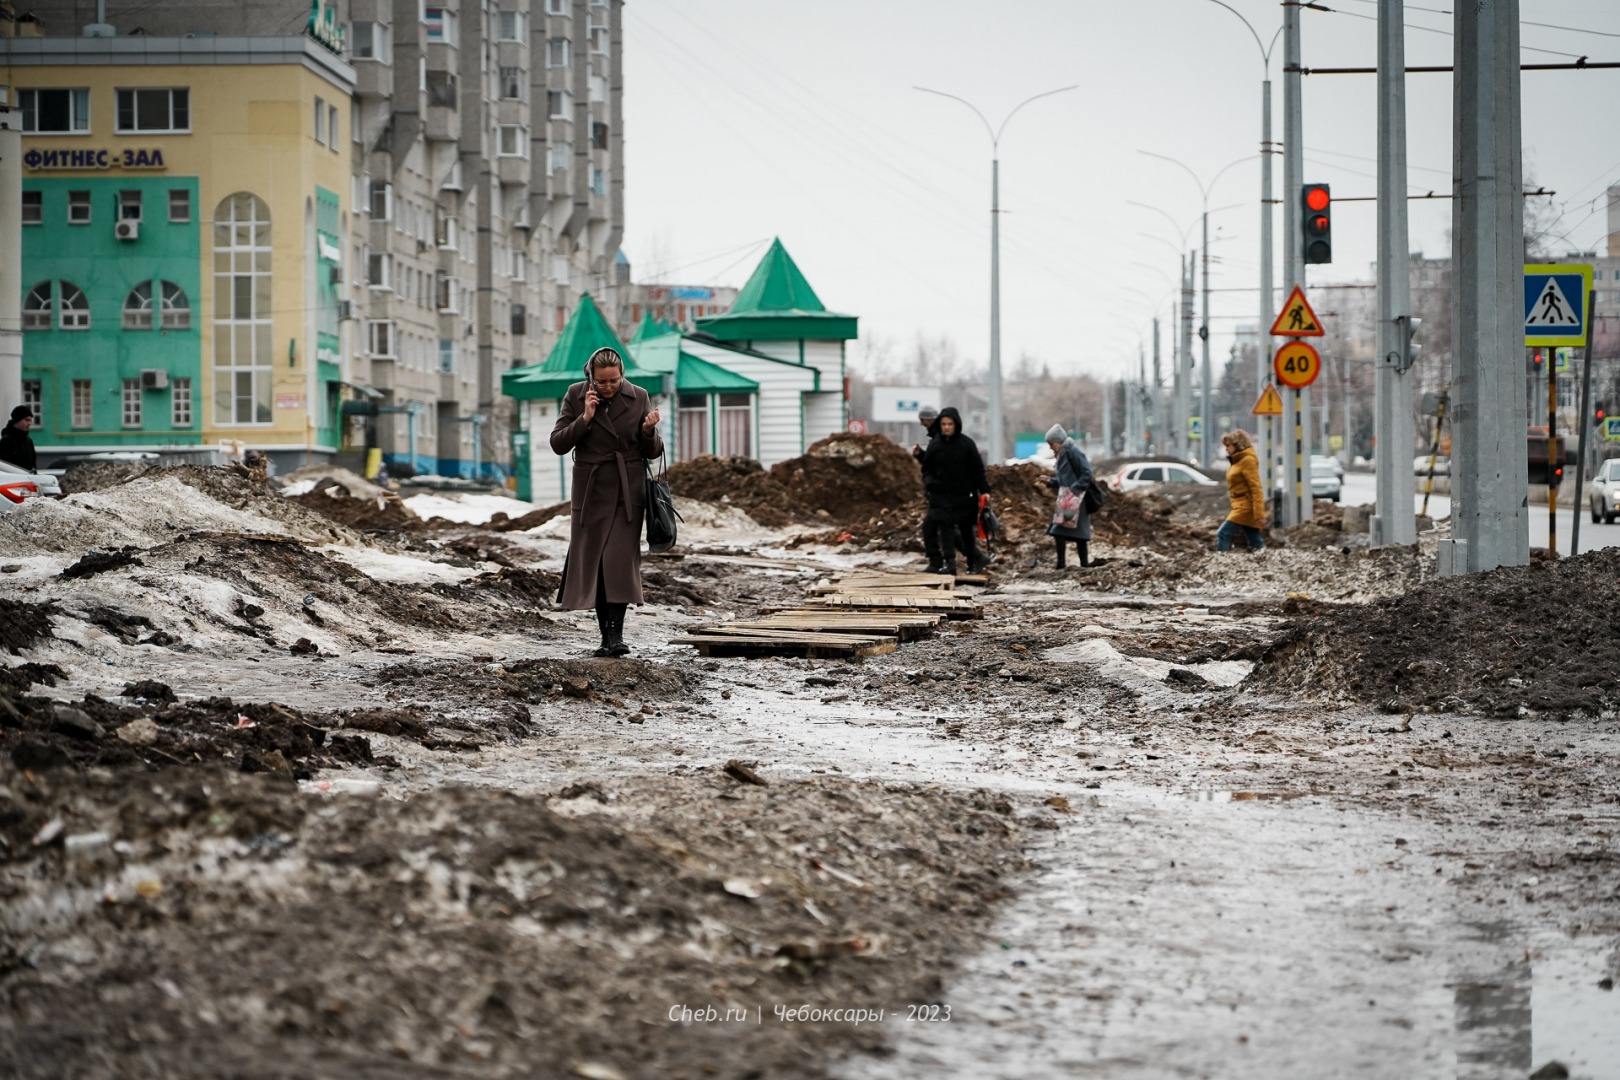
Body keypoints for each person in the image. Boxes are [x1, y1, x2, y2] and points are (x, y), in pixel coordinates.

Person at [551, 347, 663, 656]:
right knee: (597, 565)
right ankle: (605, 637)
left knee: (617, 563)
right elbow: (558, 443)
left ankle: (617, 636)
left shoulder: (639, 396)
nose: (609, 386)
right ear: (590, 377)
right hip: (590, 490)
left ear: (622, 374)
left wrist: (648, 431)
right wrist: (585, 418)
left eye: (614, 380)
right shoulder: (575, 395)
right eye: (602, 382)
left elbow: (653, 451)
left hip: (628, 490)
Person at [919, 406, 990, 575]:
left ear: (956, 425)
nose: (946, 427)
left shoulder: (967, 444)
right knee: (946, 529)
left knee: (966, 530)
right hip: (941, 495)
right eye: (943, 424)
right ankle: (950, 563)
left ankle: (972, 563)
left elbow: (977, 470)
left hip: (964, 495)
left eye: (950, 424)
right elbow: (927, 468)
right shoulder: (935, 445)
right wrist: (930, 483)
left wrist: (984, 490)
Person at [1044, 424, 1093, 569]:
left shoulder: (1072, 451)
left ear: (1057, 441)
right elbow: (1065, 479)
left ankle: (1064, 564)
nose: (1050, 447)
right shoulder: (1064, 452)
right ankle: (1081, 564)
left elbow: (1087, 473)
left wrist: (1074, 490)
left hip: (1075, 499)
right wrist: (1050, 481)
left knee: (1060, 531)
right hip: (1069, 498)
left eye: (1051, 444)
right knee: (1075, 534)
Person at [1217, 429, 1267, 551]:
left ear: (1238, 444)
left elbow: (1256, 487)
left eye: (1228, 445)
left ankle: (1219, 562)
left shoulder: (1247, 460)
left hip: (1245, 507)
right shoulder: (1238, 460)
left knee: (1223, 533)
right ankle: (1265, 559)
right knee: (1254, 539)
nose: (1226, 449)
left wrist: (1260, 514)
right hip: (1239, 505)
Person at [1, 405, 37, 471]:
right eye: (26, 420)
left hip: (27, 479)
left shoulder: (28, 441)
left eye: (30, 421)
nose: (29, 423)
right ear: (17, 420)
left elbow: (33, 464)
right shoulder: (6, 441)